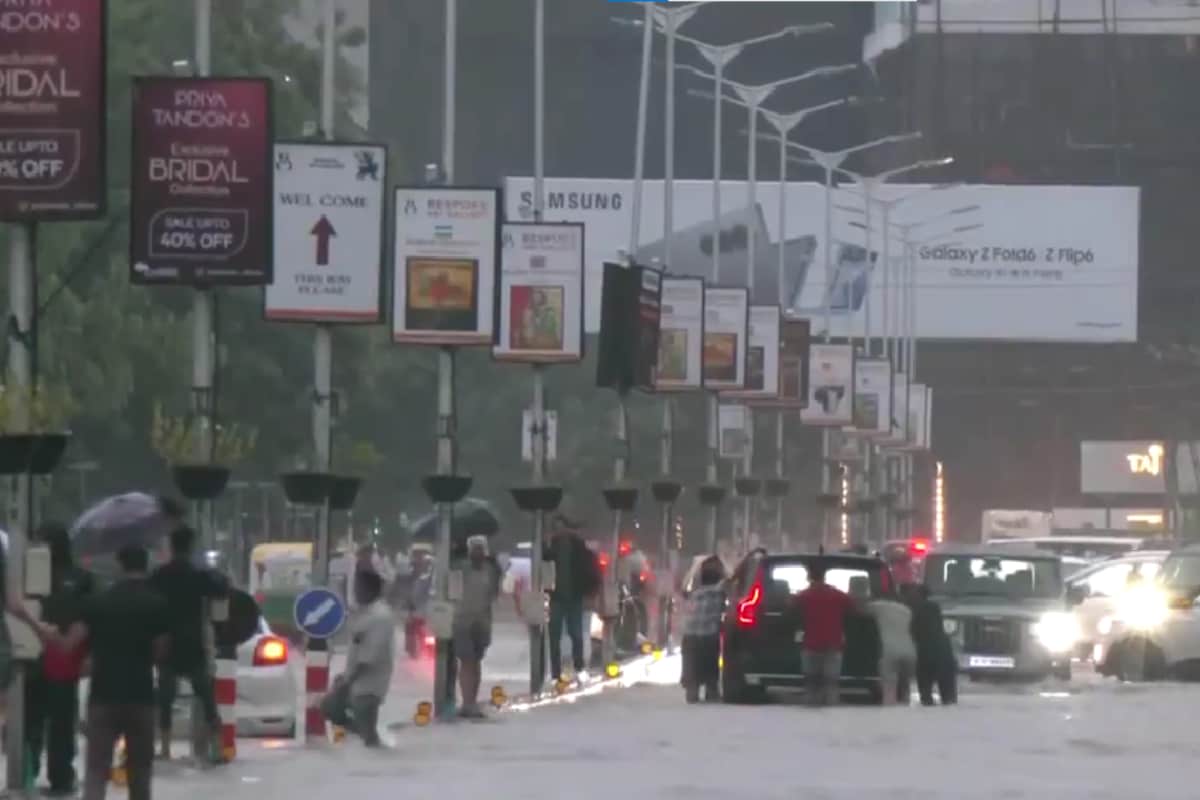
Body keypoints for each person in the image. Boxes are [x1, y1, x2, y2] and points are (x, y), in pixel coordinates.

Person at [35, 544, 169, 800]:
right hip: (141, 697)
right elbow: (161, 652)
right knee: (140, 771)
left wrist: (43, 630)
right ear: (145, 566)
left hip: (103, 697)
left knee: (97, 770)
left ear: (120, 566)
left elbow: (68, 644)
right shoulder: (157, 603)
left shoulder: (97, 603)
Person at [148, 526, 228, 760]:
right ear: (190, 547)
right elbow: (221, 590)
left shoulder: (160, 574)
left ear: (171, 546)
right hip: (193, 641)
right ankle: (218, 747)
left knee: (165, 696)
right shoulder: (198, 574)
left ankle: (164, 748)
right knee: (206, 694)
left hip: (167, 641)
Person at [26, 523, 95, 796]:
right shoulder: (76, 578)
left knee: (49, 721)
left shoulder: (76, 578)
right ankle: (56, 777)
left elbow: (89, 618)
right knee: (53, 721)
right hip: (47, 657)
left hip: (54, 656)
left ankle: (43, 775)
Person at [321, 571, 393, 747]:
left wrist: (348, 680)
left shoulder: (380, 617)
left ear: (369, 590)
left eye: (358, 589)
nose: (356, 593)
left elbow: (370, 656)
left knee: (367, 733)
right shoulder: (364, 613)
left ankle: (376, 750)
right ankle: (370, 741)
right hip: (355, 681)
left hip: (369, 685)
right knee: (329, 707)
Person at [543, 516, 600, 683]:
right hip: (556, 597)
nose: (561, 531)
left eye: (563, 528)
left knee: (576, 634)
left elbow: (590, 569)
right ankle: (555, 673)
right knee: (555, 636)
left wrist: (590, 592)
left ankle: (579, 668)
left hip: (573, 597)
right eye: (557, 528)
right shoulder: (550, 548)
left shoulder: (579, 548)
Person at [795, 562, 859, 707]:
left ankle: (811, 710)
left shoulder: (804, 596)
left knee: (811, 683)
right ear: (824, 577)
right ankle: (831, 711)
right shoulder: (838, 595)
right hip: (833, 644)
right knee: (831, 683)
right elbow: (854, 611)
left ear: (809, 578)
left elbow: (790, 612)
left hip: (811, 644)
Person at [453, 535, 502, 718]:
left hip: (482, 620)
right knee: (467, 661)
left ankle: (472, 701)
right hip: (462, 620)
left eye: (481, 548)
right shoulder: (461, 568)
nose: (478, 552)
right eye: (474, 548)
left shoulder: (490, 570)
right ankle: (467, 703)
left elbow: (494, 593)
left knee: (476, 662)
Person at [680, 556, 725, 703]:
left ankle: (692, 692)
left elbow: (683, 587)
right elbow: (732, 578)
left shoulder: (694, 594)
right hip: (709, 637)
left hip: (690, 636)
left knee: (691, 666)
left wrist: (695, 567)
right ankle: (711, 690)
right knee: (710, 665)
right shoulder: (719, 593)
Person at [906, 584, 958, 706]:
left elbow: (913, 629)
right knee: (948, 695)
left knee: (925, 691)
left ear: (919, 595)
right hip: (943, 649)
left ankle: (928, 699)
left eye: (914, 594)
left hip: (926, 650)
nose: (910, 596)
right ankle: (946, 698)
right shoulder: (935, 607)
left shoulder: (916, 608)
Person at [865, 586, 917, 706]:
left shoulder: (879, 606)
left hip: (890, 651)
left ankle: (890, 710)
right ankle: (905, 705)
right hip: (910, 651)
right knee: (905, 686)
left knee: (889, 688)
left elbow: (860, 609)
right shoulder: (906, 610)